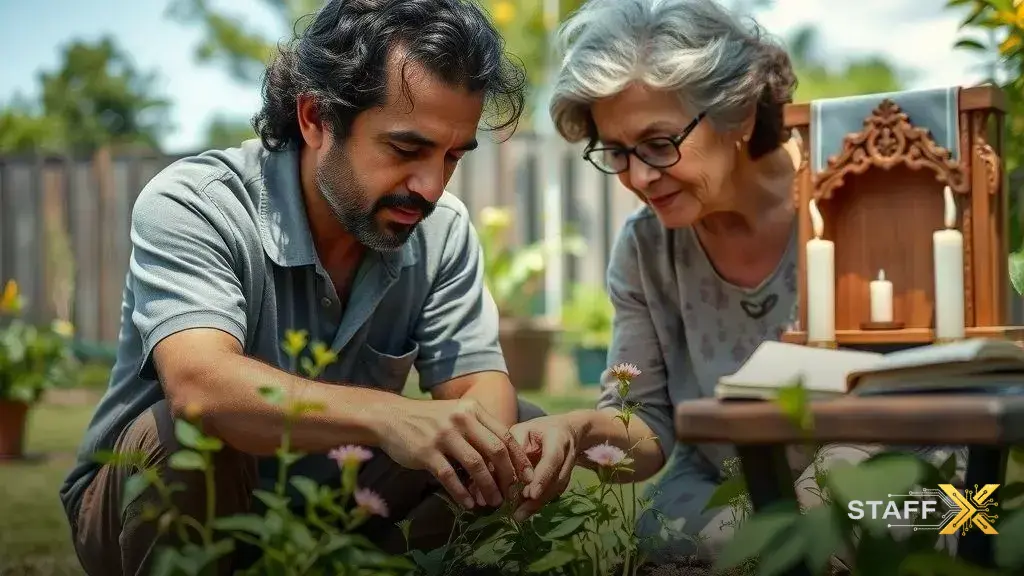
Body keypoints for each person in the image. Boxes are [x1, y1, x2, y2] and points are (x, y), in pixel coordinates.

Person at [59, 1, 544, 574]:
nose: (431, 186)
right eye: (407, 150)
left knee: (510, 436)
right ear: (316, 118)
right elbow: (199, 385)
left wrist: (478, 431)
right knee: (185, 435)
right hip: (151, 504)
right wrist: (389, 418)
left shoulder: (442, 232)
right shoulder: (197, 203)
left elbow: (483, 394)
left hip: (336, 512)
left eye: (453, 157)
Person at [508, 0, 964, 566]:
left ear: (740, 114)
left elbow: (953, 389)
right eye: (618, 152)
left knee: (830, 527)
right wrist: (575, 430)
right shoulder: (648, 249)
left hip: (914, 486)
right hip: (729, 488)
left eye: (658, 143)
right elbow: (647, 427)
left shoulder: (863, 197)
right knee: (663, 541)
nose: (640, 176)